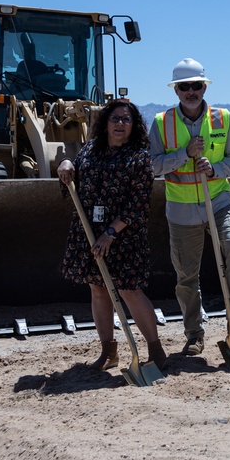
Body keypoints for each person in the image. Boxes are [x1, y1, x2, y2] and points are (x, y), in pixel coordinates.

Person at [149, 58, 230, 357]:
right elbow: (153, 166)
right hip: (181, 209)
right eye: (184, 87)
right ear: (176, 91)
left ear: (204, 86)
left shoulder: (224, 118)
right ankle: (194, 334)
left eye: (196, 86)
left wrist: (214, 170)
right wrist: (184, 154)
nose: (191, 92)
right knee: (186, 275)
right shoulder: (161, 122)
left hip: (219, 201)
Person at [58, 99, 166, 370]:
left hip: (124, 235)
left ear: (133, 126)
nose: (120, 124)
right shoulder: (90, 150)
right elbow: (74, 179)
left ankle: (156, 351)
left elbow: (137, 203)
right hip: (90, 231)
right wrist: (67, 164)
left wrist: (110, 233)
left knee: (130, 290)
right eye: (115, 118)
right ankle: (109, 352)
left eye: (126, 120)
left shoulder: (139, 157)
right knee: (97, 289)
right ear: (105, 123)